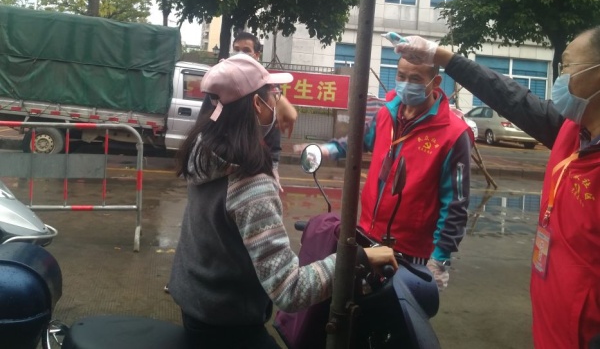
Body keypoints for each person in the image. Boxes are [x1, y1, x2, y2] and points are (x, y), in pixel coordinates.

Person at [168, 54, 397, 349]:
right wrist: (359, 259)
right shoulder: (249, 184)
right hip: (229, 325)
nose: (276, 102)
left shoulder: (204, 150)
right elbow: (290, 290)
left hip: (197, 305)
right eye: (274, 95)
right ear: (257, 104)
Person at [394, 31, 600, 348]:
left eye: (568, 66)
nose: (560, 78)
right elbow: (509, 96)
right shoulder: (571, 131)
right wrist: (440, 55)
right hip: (551, 330)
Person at [305, 54, 474, 291]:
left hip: (412, 252)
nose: (405, 84)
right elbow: (360, 140)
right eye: (401, 76)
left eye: (415, 79)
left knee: (399, 310)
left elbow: (456, 204)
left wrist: (440, 259)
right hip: (368, 236)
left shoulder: (454, 135)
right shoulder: (387, 114)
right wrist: (327, 150)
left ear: (435, 82)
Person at [233, 31, 298, 191]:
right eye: (236, 49)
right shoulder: (222, 83)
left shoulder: (268, 87)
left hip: (256, 166)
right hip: (227, 163)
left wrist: (273, 168)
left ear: (257, 55)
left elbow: (274, 137)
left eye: (246, 50)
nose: (240, 54)